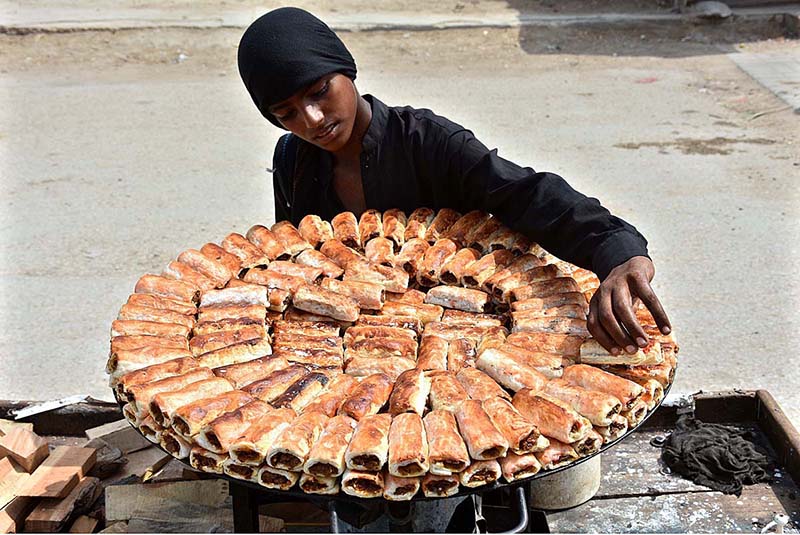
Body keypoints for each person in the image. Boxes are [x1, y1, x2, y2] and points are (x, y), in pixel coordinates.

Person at [237, 7, 671, 356]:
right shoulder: (293, 159)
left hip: (461, 346)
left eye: (318, 92)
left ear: (345, 70)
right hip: (352, 352)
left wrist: (618, 252)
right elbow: (295, 255)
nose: (312, 120)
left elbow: (526, 194)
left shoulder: (429, 142)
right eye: (287, 113)